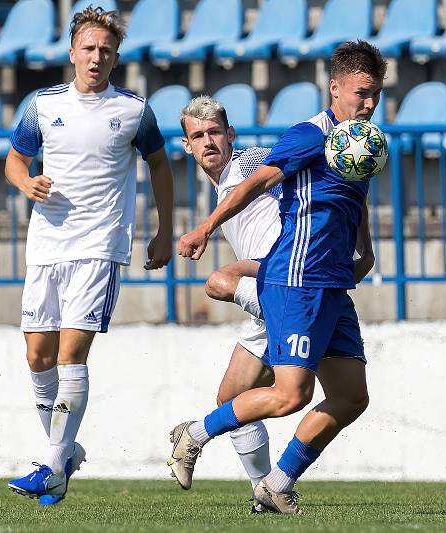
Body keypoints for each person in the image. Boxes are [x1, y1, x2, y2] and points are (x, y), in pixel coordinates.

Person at [167, 40, 382, 514]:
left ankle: (275, 482)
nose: (369, 104)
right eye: (361, 93)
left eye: (375, 94)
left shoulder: (362, 144)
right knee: (290, 395)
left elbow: (354, 200)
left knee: (350, 397)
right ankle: (195, 435)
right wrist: (204, 227)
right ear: (335, 87)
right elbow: (257, 180)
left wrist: (365, 247)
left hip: (332, 284)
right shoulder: (309, 136)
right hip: (295, 279)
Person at [4, 6, 173, 506]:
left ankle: (52, 465)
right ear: (73, 52)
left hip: (101, 244)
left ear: (116, 56)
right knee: (37, 356)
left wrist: (165, 230)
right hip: (46, 244)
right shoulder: (42, 104)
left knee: (70, 354)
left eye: (106, 49)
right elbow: (15, 159)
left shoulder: (133, 110)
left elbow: (160, 165)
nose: (96, 56)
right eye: (89, 48)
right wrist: (26, 181)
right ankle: (63, 454)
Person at [177, 95, 279, 505]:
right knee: (232, 400)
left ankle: (197, 437)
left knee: (306, 393)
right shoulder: (218, 189)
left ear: (230, 134)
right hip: (265, 298)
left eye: (215, 131)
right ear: (187, 146)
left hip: (288, 289)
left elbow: (290, 168)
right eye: (197, 135)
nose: (208, 141)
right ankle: (264, 488)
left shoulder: (252, 160)